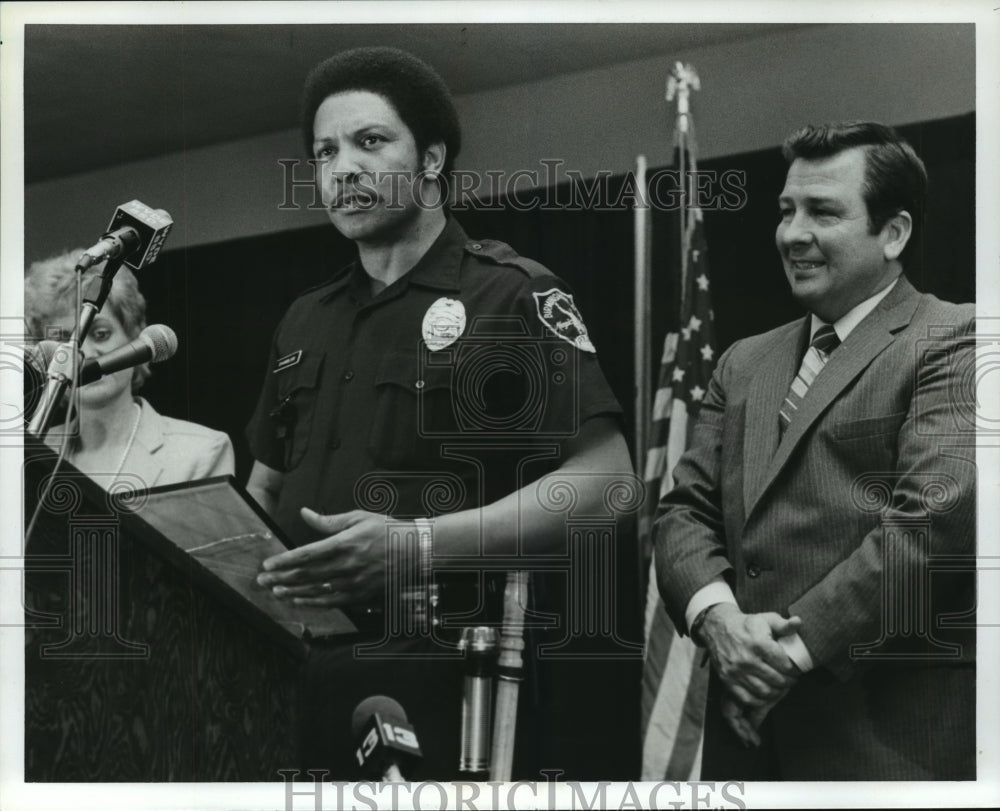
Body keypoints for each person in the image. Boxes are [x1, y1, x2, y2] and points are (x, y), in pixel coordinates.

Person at [245, 47, 631, 778]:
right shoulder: (304, 319)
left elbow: (609, 483)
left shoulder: (508, 293)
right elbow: (262, 491)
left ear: (430, 159)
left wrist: (415, 545)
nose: (343, 169)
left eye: (369, 141)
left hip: (448, 677)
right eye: (326, 152)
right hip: (291, 673)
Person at [653, 121, 975, 780]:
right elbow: (681, 512)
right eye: (786, 210)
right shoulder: (743, 362)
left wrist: (787, 653)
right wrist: (718, 623)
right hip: (743, 748)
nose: (792, 233)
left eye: (822, 211)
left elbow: (933, 520)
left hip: (886, 746)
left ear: (894, 233)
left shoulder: (955, 337)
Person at [24, 251, 234, 488]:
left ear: (134, 337)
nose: (86, 353)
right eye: (64, 341)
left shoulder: (200, 451)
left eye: (100, 334)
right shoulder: (30, 453)